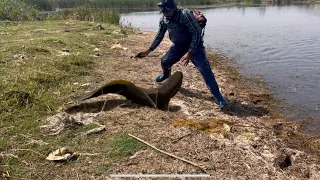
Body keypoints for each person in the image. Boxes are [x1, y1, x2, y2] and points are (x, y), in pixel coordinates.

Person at [137, 0, 227, 109]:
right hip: (179, 46)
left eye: (167, 10)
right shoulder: (164, 20)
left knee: (205, 70)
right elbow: (159, 35)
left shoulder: (184, 15)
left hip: (195, 46)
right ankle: (166, 75)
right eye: (163, 11)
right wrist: (148, 50)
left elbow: (197, 33)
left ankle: (219, 97)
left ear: (174, 8)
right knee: (165, 61)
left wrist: (190, 53)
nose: (165, 13)